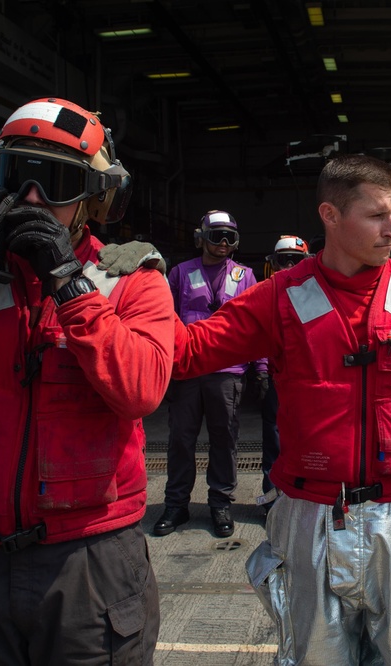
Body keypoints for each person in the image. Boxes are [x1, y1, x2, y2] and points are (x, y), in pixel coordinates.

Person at [0, 97, 173, 665]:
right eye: (19, 177)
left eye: (58, 182)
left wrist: (68, 281)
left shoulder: (130, 281)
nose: (34, 199)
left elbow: (139, 390)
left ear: (93, 197)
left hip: (89, 559)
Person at [171, 154, 391, 664]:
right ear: (330, 216)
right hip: (310, 518)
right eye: (377, 215)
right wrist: (126, 284)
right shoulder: (280, 297)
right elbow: (185, 351)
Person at [154, 210, 266, 538]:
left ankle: (220, 504)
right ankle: (176, 505)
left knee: (224, 440)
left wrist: (260, 367)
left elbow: (255, 326)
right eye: (216, 236)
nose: (224, 243)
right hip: (188, 369)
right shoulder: (179, 273)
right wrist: (162, 364)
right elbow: (164, 320)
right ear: (201, 237)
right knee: (180, 440)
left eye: (230, 237)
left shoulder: (245, 276)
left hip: (227, 371)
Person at [257, 235, 311, 513]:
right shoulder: (267, 293)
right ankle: (272, 499)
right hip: (276, 380)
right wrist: (262, 373)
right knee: (274, 442)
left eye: (296, 259)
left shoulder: (316, 293)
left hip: (307, 382)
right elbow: (258, 336)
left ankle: (302, 500)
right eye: (283, 260)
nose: (289, 265)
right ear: (272, 263)